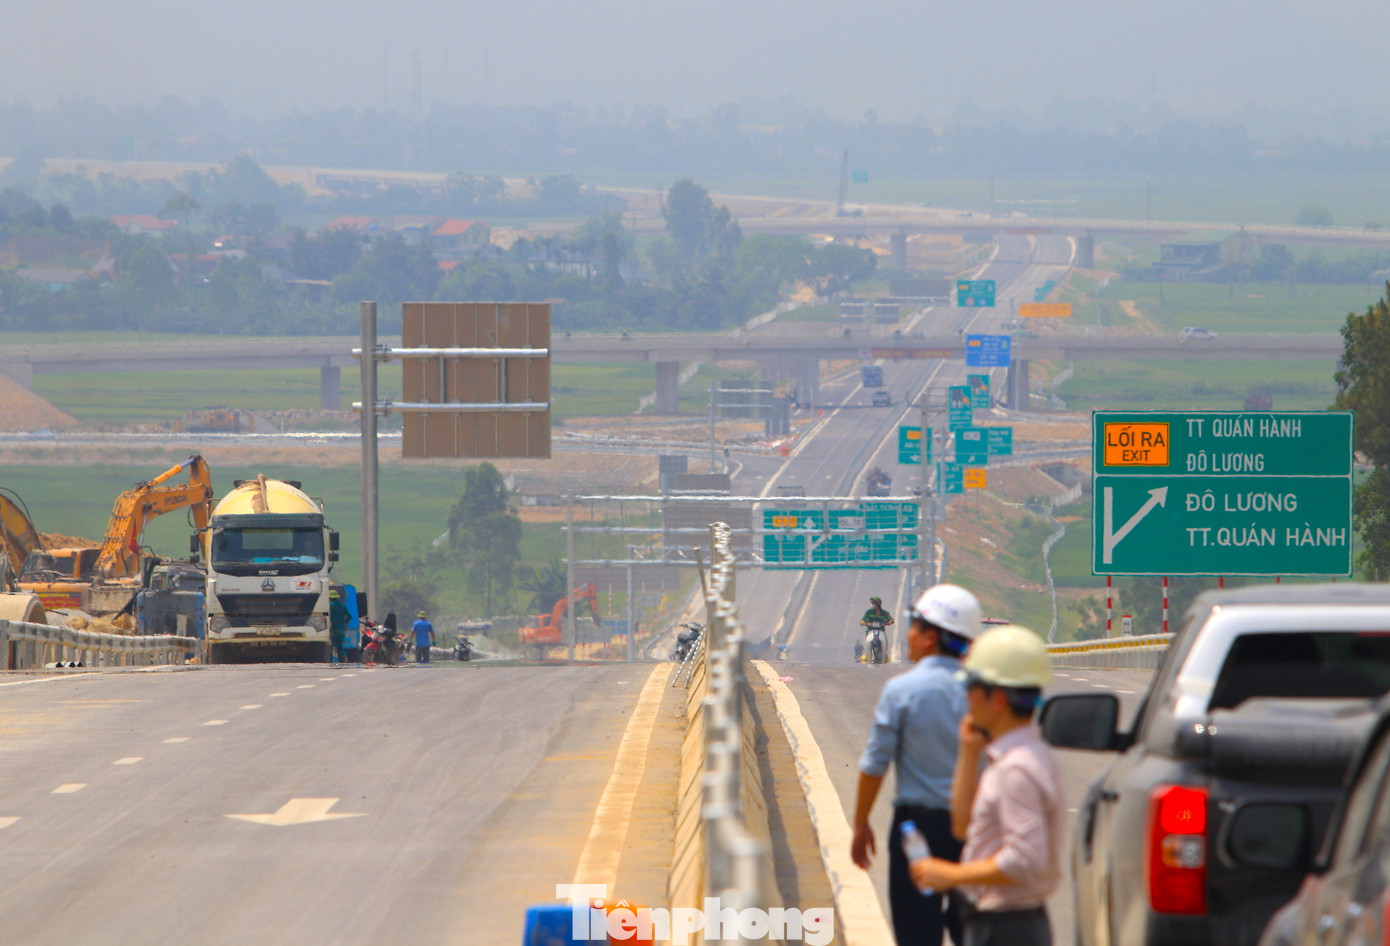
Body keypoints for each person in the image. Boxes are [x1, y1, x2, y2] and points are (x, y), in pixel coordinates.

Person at [909, 624, 1065, 946]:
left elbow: (1024, 859)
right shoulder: (1023, 755)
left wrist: (950, 875)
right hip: (1005, 922)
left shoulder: (1016, 769)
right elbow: (963, 827)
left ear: (996, 699)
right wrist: (968, 752)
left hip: (1006, 928)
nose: (965, 698)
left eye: (970, 688)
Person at [852, 583, 984, 946]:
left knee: (917, 935)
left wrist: (862, 823)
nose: (908, 634)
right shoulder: (986, 693)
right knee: (973, 933)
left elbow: (875, 764)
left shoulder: (902, 691)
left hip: (916, 832)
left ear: (929, 637)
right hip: (975, 832)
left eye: (913, 625)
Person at [859, 596, 895, 660]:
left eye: (874, 603)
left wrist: (889, 622)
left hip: (881, 631)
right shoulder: (868, 612)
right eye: (872, 603)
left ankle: (884, 655)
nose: (872, 605)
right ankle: (868, 654)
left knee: (884, 641)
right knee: (868, 641)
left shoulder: (884, 613)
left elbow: (891, 619)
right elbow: (862, 620)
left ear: (878, 604)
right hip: (870, 631)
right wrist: (864, 623)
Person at [329, 589, 349, 664]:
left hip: (333, 629)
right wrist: (344, 622)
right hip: (341, 629)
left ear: (330, 598)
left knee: (331, 645)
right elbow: (349, 616)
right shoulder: (342, 606)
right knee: (340, 645)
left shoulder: (331, 606)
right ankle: (344, 658)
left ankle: (331, 660)